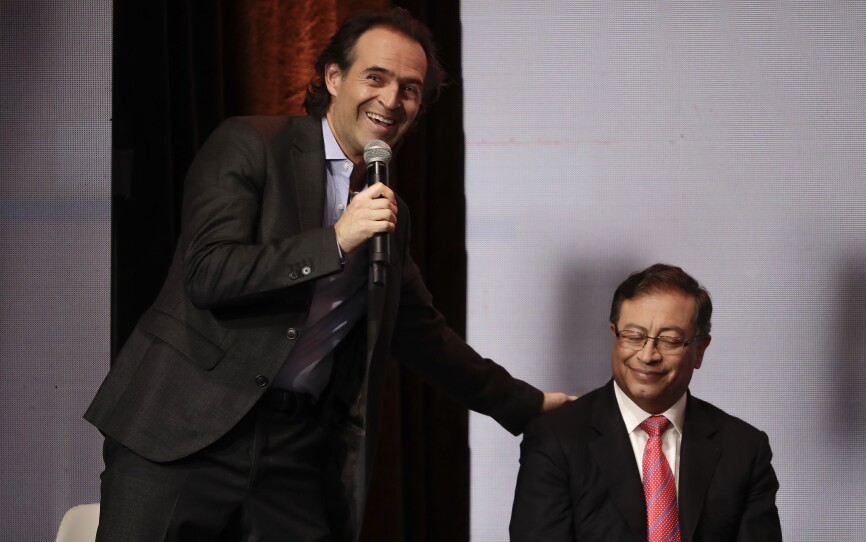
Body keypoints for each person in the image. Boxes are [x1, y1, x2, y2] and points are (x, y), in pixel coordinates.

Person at [85, 8, 572, 542]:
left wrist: (527, 405)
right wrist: (336, 241)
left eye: (410, 89)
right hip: (183, 430)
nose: (391, 100)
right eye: (376, 77)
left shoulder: (388, 211)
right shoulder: (251, 144)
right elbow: (208, 273)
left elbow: (423, 335)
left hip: (294, 448)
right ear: (334, 78)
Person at [510, 263, 782, 542]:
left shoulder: (744, 449)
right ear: (614, 334)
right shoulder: (556, 439)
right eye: (634, 336)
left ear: (700, 350)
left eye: (670, 340)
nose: (648, 355)